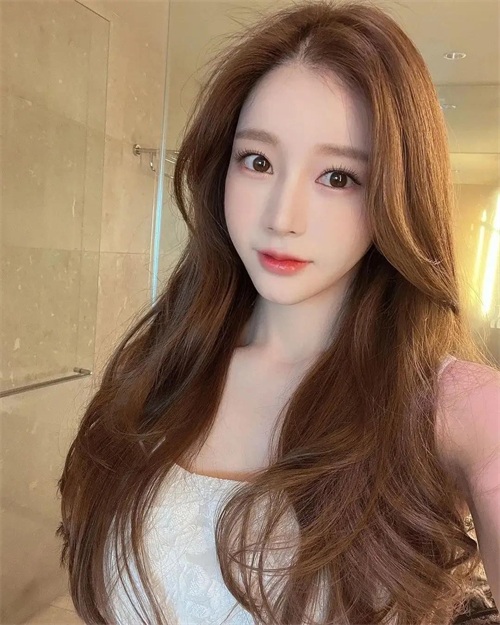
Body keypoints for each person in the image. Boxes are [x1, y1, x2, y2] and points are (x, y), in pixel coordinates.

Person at [56, 1, 500, 624]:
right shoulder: (164, 364)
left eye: (338, 177)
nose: (282, 217)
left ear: (397, 195)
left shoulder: (453, 405)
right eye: (258, 162)